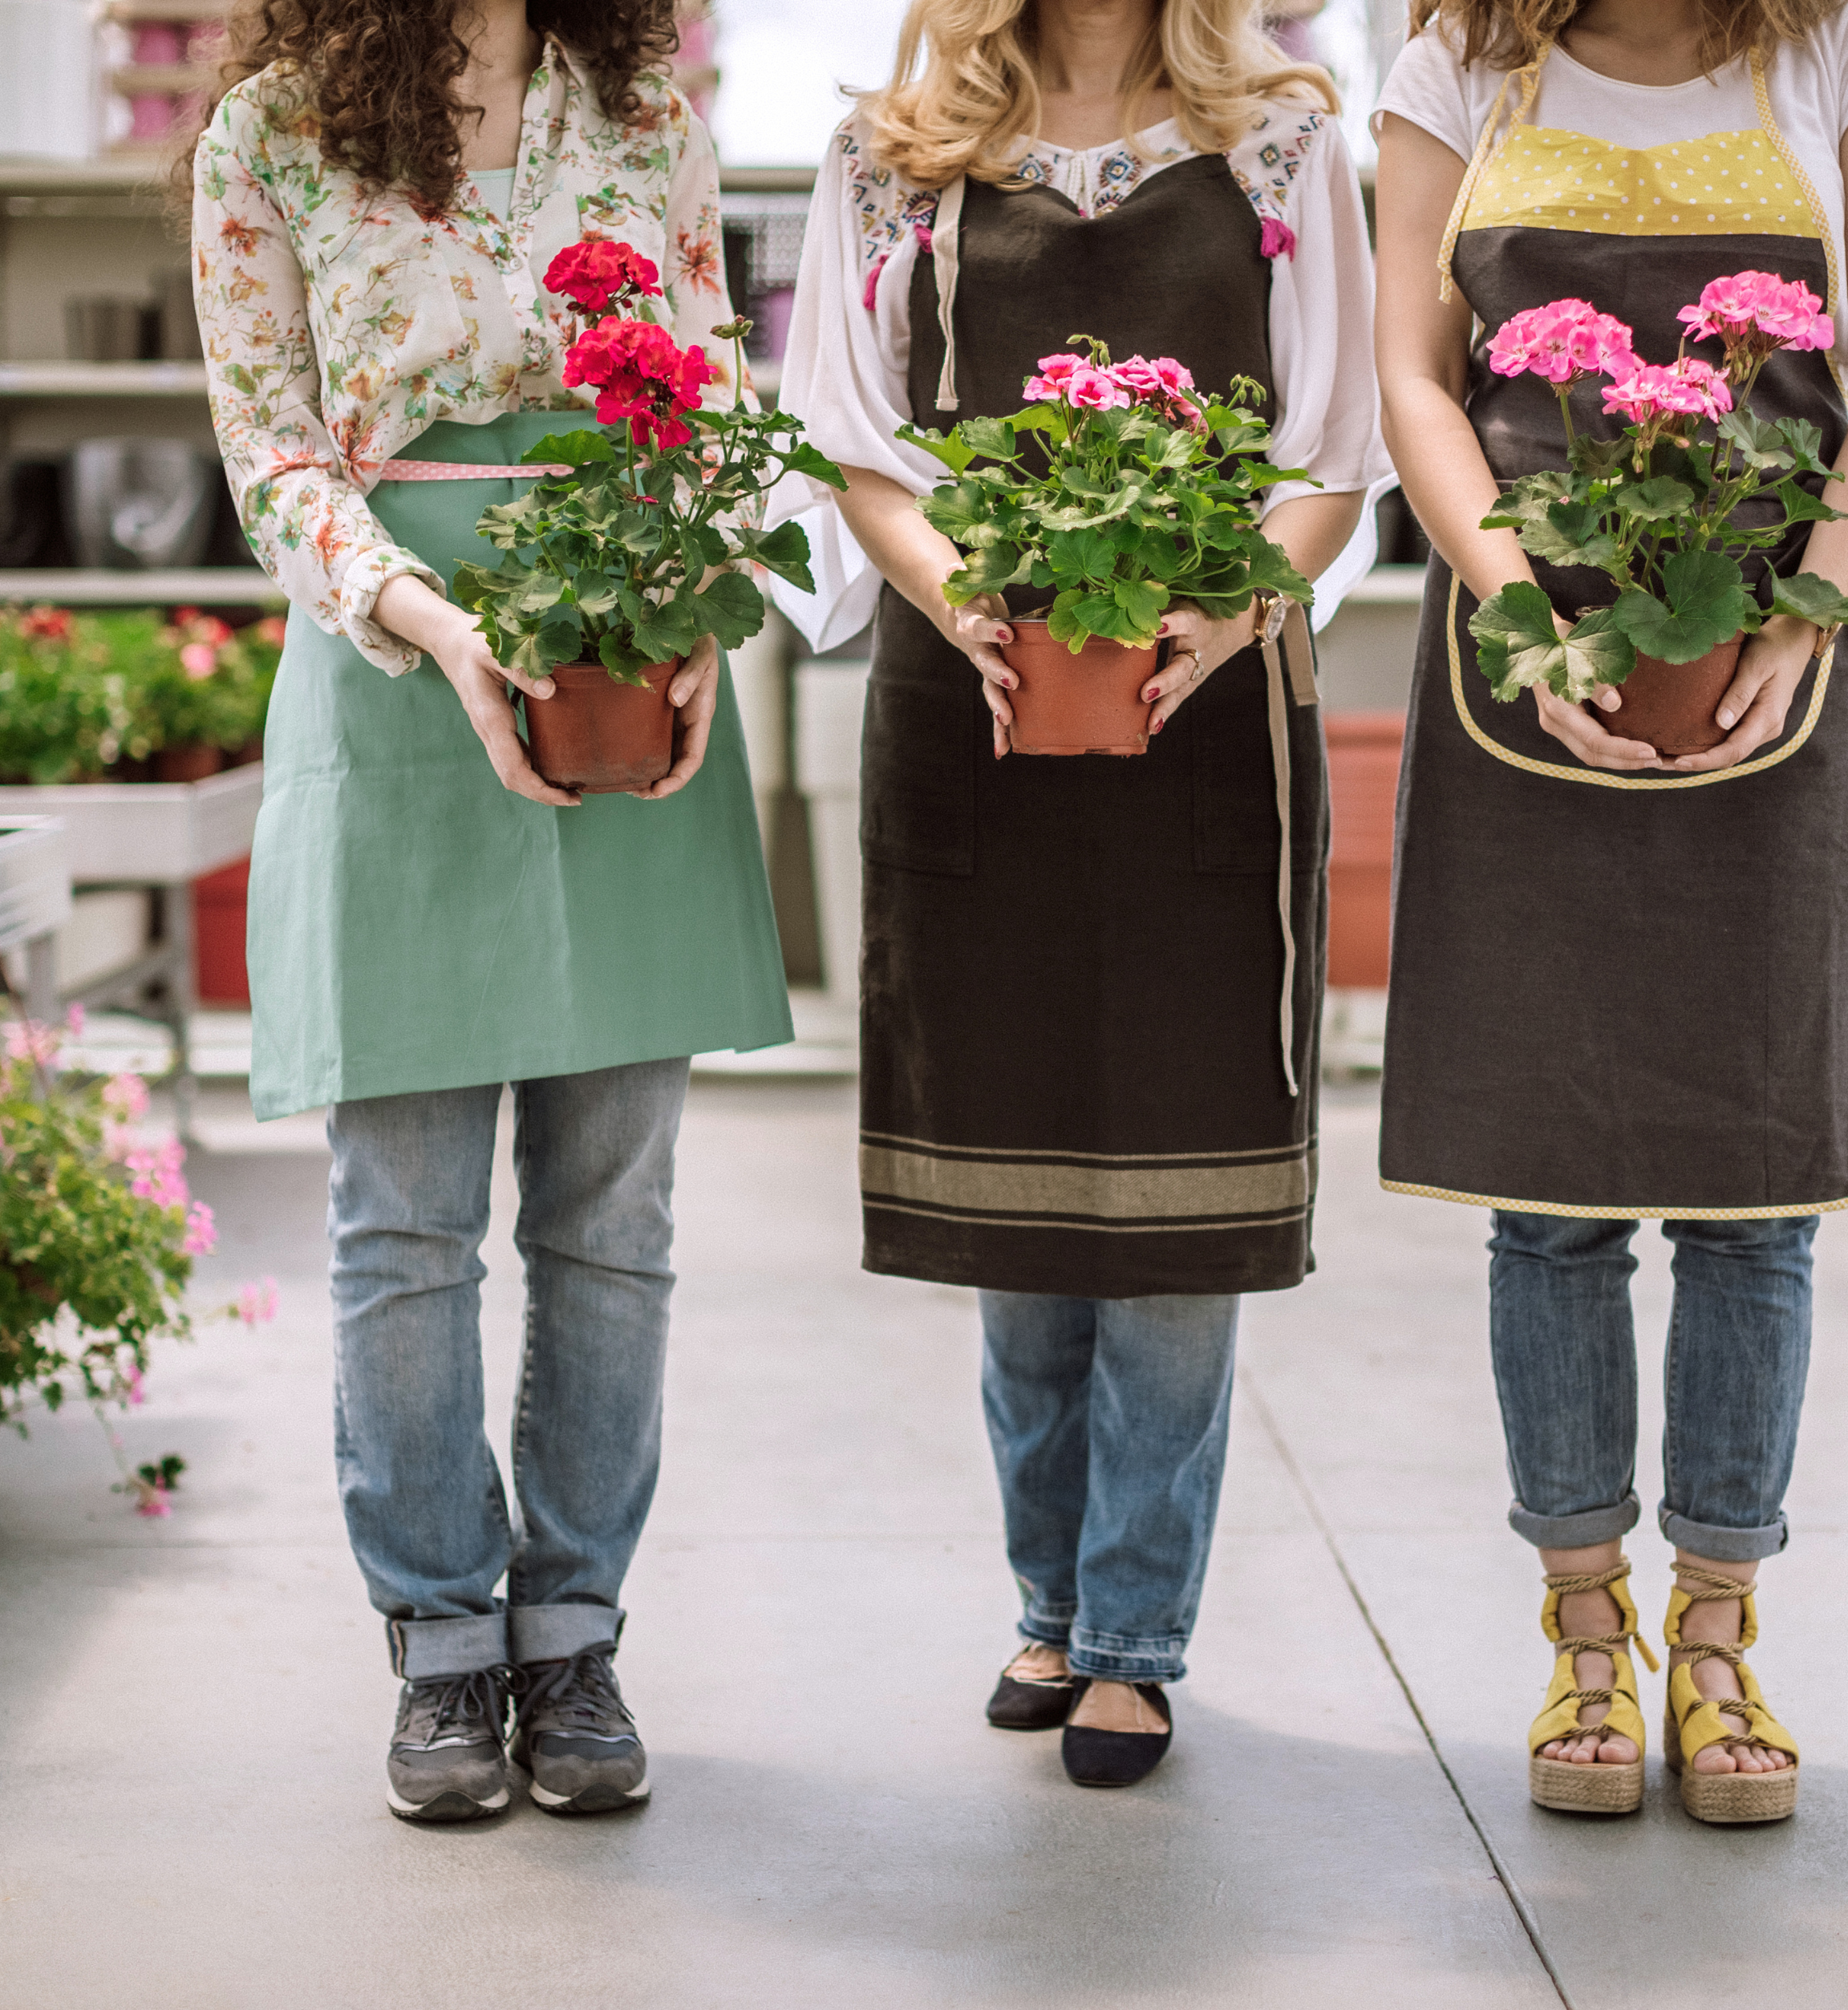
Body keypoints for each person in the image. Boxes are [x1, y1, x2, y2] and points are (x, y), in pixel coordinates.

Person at [776, 0, 1389, 1787]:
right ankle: (1046, 1602)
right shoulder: (887, 155)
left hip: (1211, 709)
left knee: (1181, 1196)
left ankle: (1131, 1634)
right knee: (1020, 1186)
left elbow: (1335, 451)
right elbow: (855, 440)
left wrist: (1227, 613)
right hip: (970, 704)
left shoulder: (1283, 145)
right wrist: (958, 591)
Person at [190, 0, 791, 1822]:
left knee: (614, 1211)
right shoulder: (271, 133)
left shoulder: (643, 112)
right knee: (402, 1213)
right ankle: (443, 1638)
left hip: (625, 633)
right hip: (398, 668)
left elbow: (712, 388)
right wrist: (437, 627)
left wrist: (698, 607)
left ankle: (575, 1628)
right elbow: (272, 450)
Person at [1372, 0, 1848, 1822]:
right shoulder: (1456, 64)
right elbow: (1413, 379)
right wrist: (1516, 608)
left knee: (1754, 1191)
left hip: (1775, 663)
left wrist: (1803, 615)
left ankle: (1714, 1632)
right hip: (1523, 659)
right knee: (1545, 1196)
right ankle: (1580, 1631)